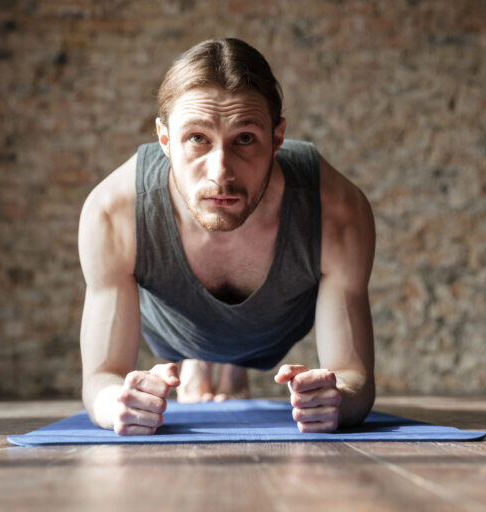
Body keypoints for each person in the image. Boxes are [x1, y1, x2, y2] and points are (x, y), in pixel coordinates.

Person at [78, 38, 376, 435]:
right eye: (197, 138)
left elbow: (354, 376)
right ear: (164, 140)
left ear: (278, 138)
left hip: (271, 330)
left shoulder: (337, 209)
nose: (221, 172)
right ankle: (201, 358)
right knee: (198, 365)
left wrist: (336, 398)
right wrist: (118, 402)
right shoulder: (112, 211)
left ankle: (222, 364)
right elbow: (101, 377)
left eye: (246, 139)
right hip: (174, 328)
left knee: (230, 361)